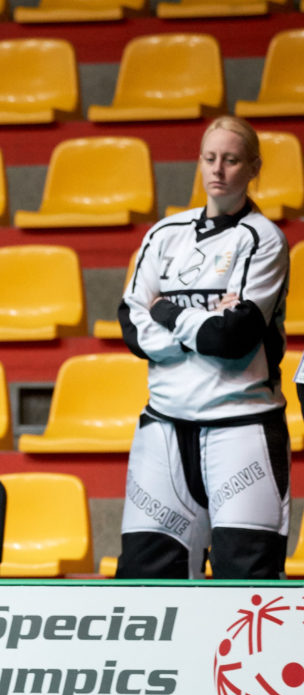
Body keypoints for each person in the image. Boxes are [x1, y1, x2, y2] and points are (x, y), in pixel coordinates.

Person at [117, 116, 290, 580]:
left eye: (231, 160)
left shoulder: (262, 238)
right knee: (144, 581)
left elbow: (232, 338)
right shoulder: (163, 234)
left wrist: (167, 312)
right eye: (210, 158)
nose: (218, 169)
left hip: (243, 428)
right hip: (163, 430)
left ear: (253, 167)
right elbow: (131, 324)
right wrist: (202, 325)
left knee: (246, 582)